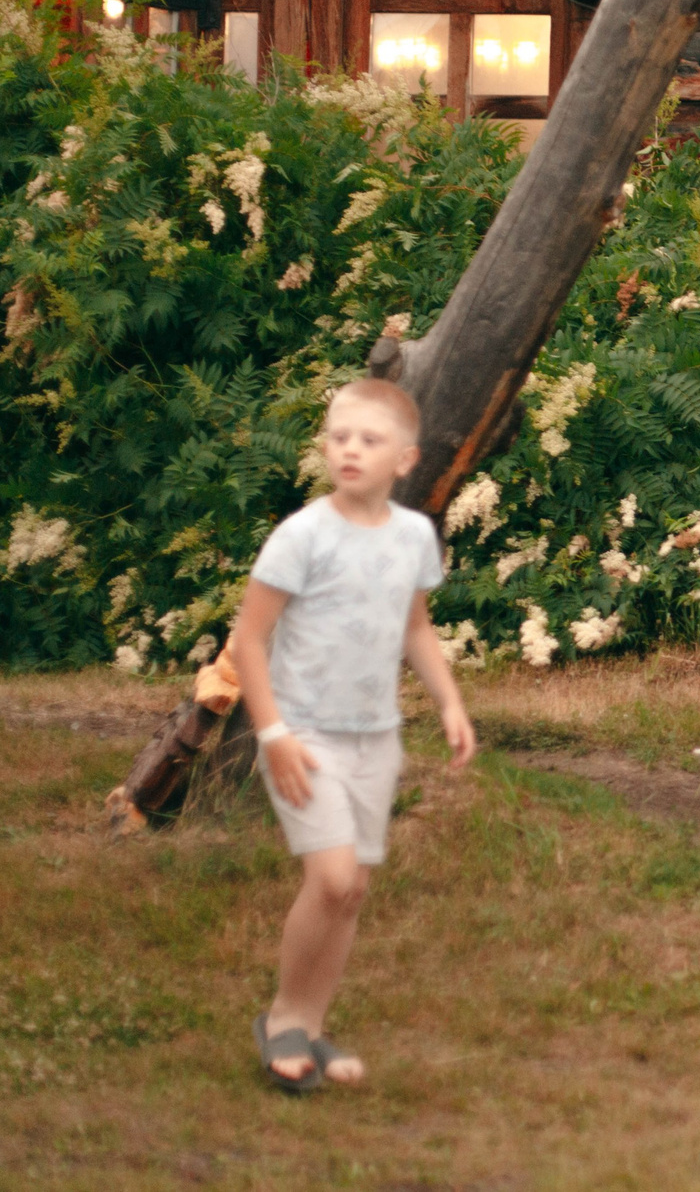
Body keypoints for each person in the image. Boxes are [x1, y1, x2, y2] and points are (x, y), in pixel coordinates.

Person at [225, 377, 476, 1093]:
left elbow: (415, 627)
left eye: (369, 439)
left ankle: (309, 1023)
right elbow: (248, 641)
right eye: (339, 437)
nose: (350, 450)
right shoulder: (302, 536)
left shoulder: (413, 536)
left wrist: (450, 702)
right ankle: (283, 1019)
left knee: (353, 890)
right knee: (331, 877)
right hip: (303, 736)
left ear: (406, 459)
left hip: (376, 739)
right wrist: (273, 733)